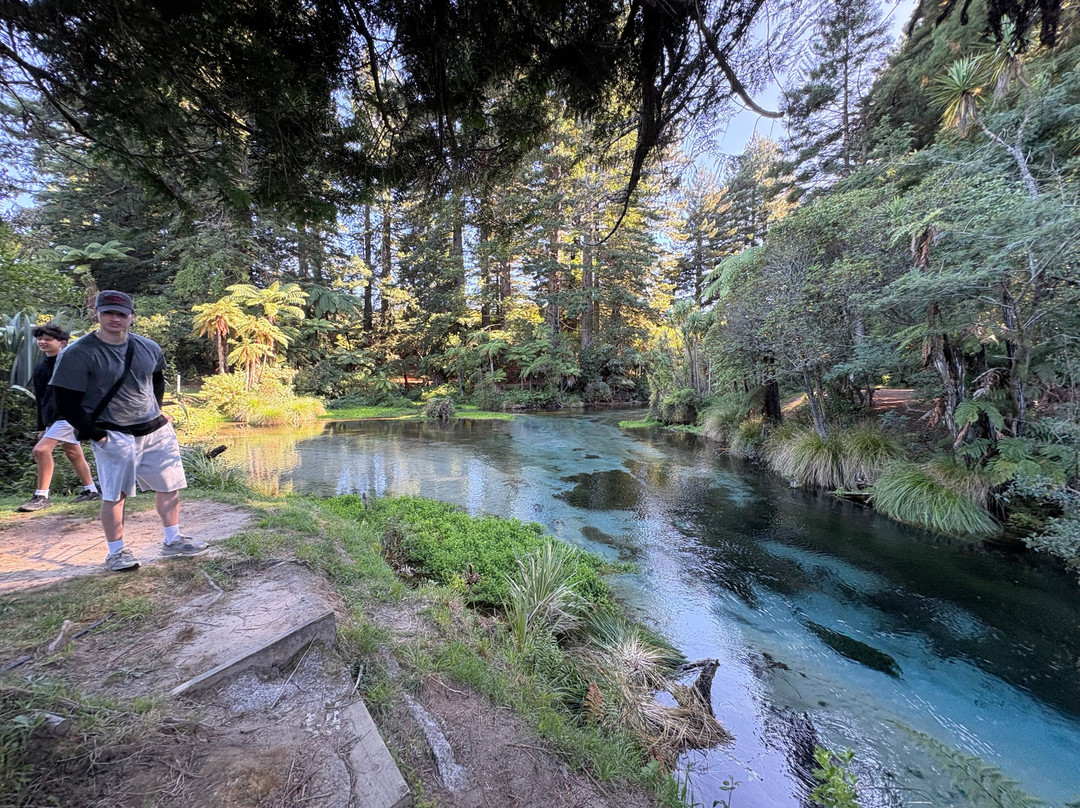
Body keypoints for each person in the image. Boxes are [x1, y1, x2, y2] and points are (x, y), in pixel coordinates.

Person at [50, 290, 207, 571]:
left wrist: (156, 410)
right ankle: (116, 552)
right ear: (97, 314)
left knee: (169, 486)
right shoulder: (78, 353)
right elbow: (66, 402)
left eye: (121, 314)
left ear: (132, 317)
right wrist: (96, 434)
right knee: (115, 494)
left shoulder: (148, 347)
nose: (114, 318)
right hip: (113, 432)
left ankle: (173, 540)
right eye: (108, 312)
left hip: (154, 429)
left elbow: (156, 380)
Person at [17, 324, 101, 512]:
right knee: (72, 452)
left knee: (40, 451)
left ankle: (41, 496)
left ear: (62, 342)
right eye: (40, 338)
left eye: (47, 339)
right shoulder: (40, 368)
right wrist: (42, 427)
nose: (42, 342)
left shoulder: (71, 363)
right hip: (53, 418)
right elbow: (40, 399)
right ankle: (91, 491)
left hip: (70, 415)